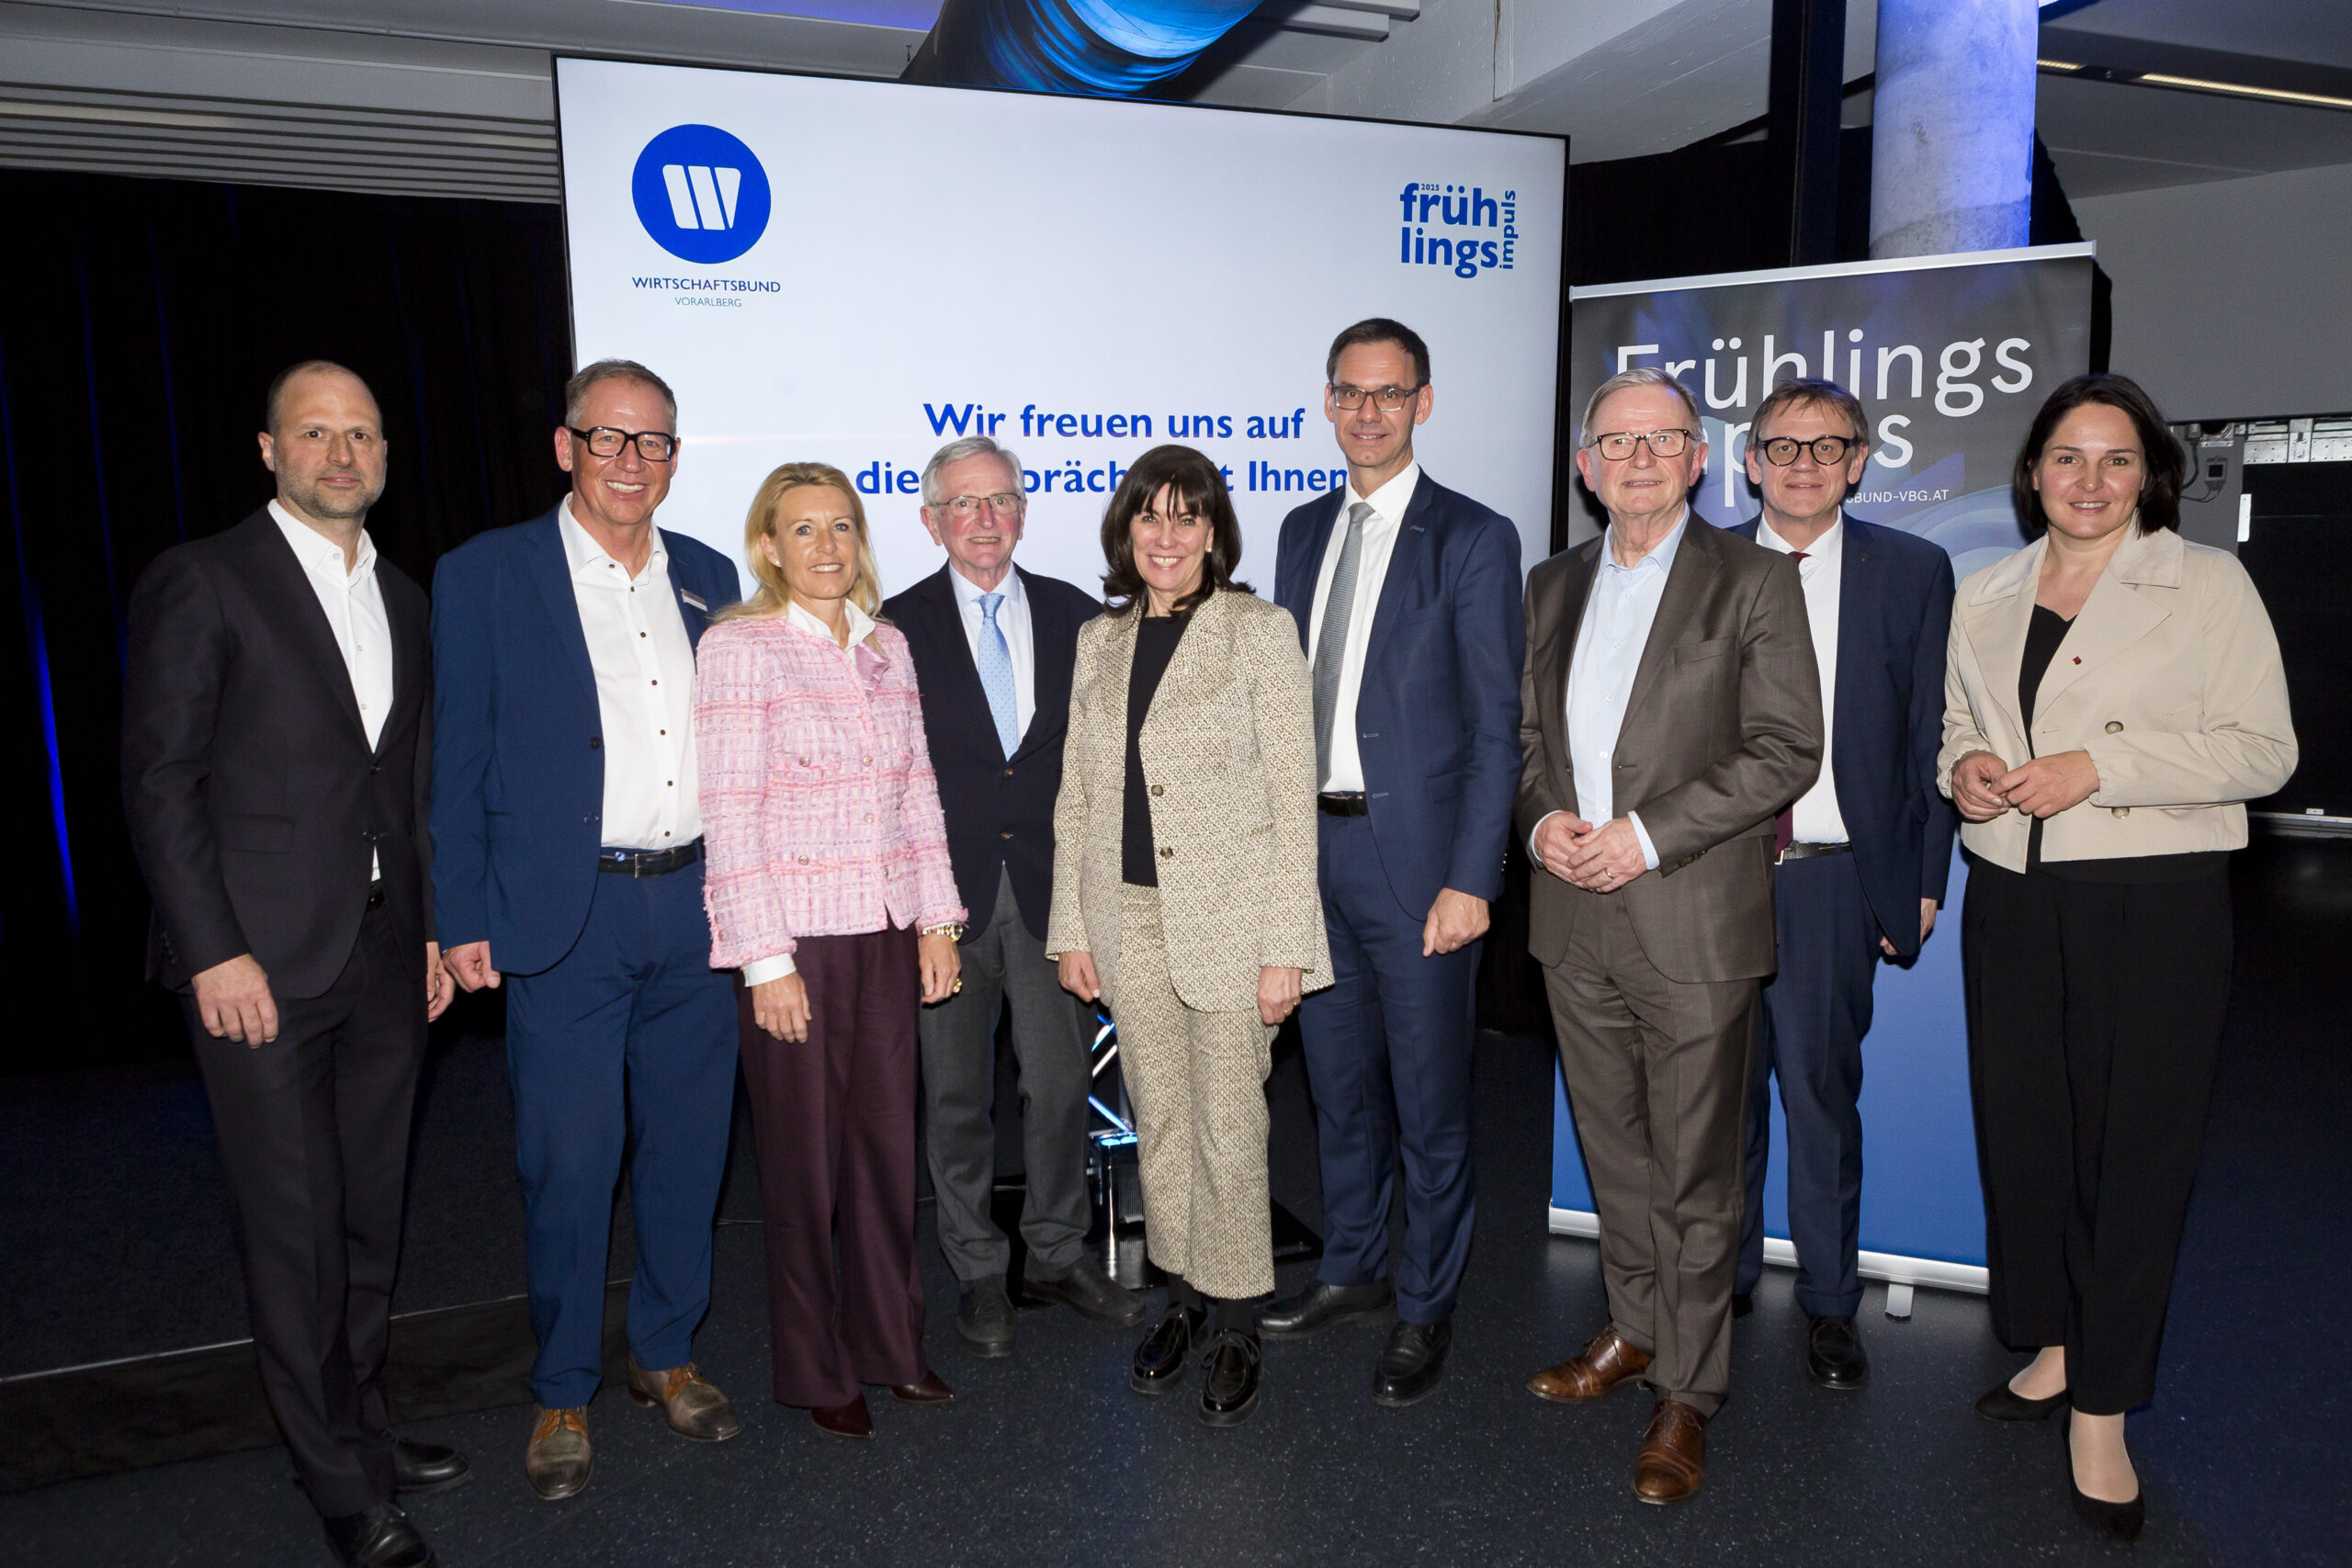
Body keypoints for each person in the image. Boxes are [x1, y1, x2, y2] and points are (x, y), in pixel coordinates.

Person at [121, 361, 465, 1568]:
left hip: (382, 958)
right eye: (314, 430)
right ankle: (333, 1477)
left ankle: (363, 1425)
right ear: (268, 449)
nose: (340, 450)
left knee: (371, 1215)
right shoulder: (206, 579)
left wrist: (427, 926)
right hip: (256, 961)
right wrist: (211, 946)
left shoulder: (408, 596)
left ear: (383, 453)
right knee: (294, 1224)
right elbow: (159, 783)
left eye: (361, 431)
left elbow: (407, 786)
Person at [1941, 374, 2295, 1544]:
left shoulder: (2208, 585)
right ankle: (2051, 1345)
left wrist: (2102, 764)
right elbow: (1959, 723)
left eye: (2114, 461)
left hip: (2151, 903)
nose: (2088, 482)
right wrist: (1963, 775)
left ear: (2150, 476)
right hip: (2010, 894)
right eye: (2065, 459)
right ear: (2031, 472)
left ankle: (2105, 1404)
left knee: (2133, 1153)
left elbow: (2264, 749)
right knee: (2027, 1134)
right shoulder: (1985, 589)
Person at [431, 359, 744, 1500]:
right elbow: (453, 757)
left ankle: (666, 1353)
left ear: (672, 459)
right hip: (567, 913)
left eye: (652, 442)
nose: (630, 461)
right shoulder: (487, 576)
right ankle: (563, 1384)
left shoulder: (711, 578)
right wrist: (458, 913)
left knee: (688, 1149)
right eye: (607, 438)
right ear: (564, 447)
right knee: (568, 1160)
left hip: (697, 905)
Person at [1516, 367, 1822, 1505]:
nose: (1638, 458)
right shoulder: (1548, 584)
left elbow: (1787, 748)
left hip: (1691, 916)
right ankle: (1635, 1329)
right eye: (1616, 440)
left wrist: (1641, 837)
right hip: (1570, 920)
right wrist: (1545, 821)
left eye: (1664, 440)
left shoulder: (1751, 580)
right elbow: (1523, 736)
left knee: (1696, 1175)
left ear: (1700, 459)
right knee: (1618, 1156)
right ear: (1586, 466)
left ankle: (1688, 1391)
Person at [1261, 319, 1525, 1406]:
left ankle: (1424, 1306)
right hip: (1305, 854)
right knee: (1337, 1089)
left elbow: (1495, 722)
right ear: (1326, 403)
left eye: (1389, 393)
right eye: (1348, 392)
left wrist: (1474, 878)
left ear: (1423, 402)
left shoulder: (1471, 535)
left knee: (1429, 1103)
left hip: (1416, 867)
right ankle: (1352, 1270)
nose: (1366, 412)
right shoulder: (1296, 528)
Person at [1046, 446, 1328, 1429]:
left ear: (1214, 533)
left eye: (1186, 517)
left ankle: (1240, 1314)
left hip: (1235, 921)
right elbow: (1077, 797)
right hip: (1123, 917)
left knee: (1229, 1124)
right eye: (1149, 517)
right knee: (1158, 1121)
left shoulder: (1257, 630)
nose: (1166, 536)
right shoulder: (1096, 641)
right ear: (1126, 531)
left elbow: (1294, 799)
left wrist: (1286, 945)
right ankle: (1183, 1298)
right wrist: (1069, 927)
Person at [697, 463, 966, 1438]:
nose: (825, 547)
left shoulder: (887, 646)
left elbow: (919, 791)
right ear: (767, 546)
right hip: (796, 943)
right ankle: (817, 1371)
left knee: (886, 1158)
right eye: (802, 530)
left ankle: (893, 1346)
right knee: (804, 1171)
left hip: (887, 931)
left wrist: (937, 921)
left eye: (841, 528)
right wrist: (764, 961)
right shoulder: (741, 648)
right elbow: (727, 811)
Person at [882, 436, 1143, 1356]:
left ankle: (1057, 1253)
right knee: (954, 1098)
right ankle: (977, 1272)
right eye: (963, 504)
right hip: (941, 909)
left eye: (999, 502)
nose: (984, 520)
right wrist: (917, 911)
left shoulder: (1082, 619)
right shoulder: (890, 628)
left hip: (1051, 900)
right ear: (931, 520)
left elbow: (1104, 771)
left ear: (1024, 513)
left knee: (1061, 1084)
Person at [1727, 379, 1958, 1388]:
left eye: (1829, 447)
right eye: (1784, 446)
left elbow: (1929, 736)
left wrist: (1917, 877)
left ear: (1860, 460)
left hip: (1831, 880)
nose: (1805, 464)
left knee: (1819, 1099)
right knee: (1713, 1105)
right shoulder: (1705, 568)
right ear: (1750, 462)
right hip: (1712, 879)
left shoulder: (1911, 571)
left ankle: (1828, 1305)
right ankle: (1717, 1291)